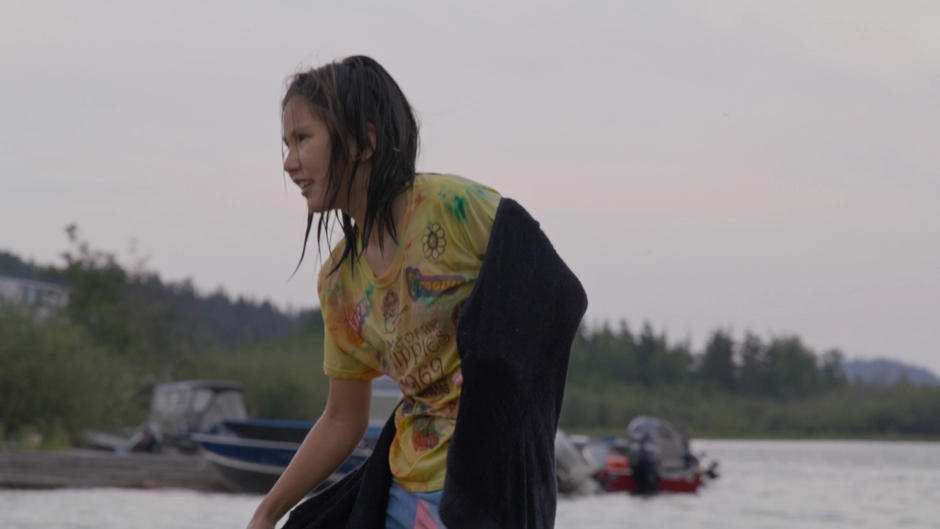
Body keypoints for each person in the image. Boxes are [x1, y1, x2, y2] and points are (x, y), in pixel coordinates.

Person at [247, 55, 500, 529]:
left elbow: (549, 291)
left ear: (363, 142)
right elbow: (343, 420)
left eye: (303, 139)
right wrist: (267, 513)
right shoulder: (339, 283)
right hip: (405, 496)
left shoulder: (456, 210)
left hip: (488, 490)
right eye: (286, 143)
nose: (289, 162)